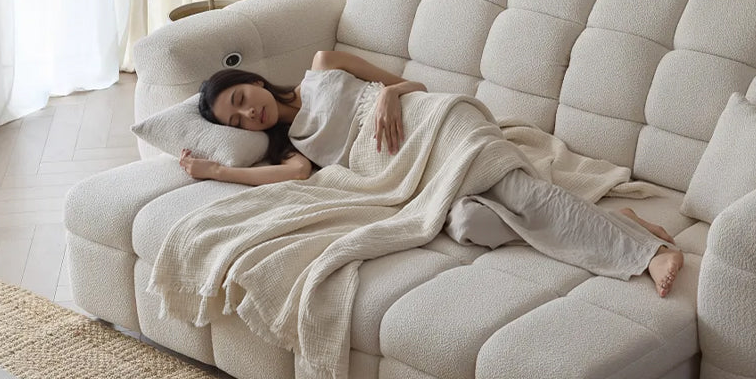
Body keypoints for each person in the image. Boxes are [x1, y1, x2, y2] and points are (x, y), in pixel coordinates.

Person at [180, 50, 683, 296]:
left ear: (252, 80)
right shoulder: (294, 150)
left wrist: (386, 95)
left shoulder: (323, 63)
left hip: (434, 122)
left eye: (242, 99)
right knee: (469, 225)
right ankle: (627, 226)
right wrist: (219, 170)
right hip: (411, 174)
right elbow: (286, 179)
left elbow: (410, 83)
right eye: (235, 119)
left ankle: (648, 253)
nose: (249, 115)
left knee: (522, 194)